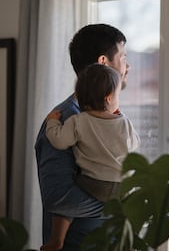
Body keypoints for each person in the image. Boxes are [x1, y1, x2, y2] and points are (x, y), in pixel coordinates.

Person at [34, 24, 131, 250]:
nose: (128, 66)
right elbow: (59, 198)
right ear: (103, 63)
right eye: (123, 57)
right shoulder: (65, 120)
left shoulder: (112, 120)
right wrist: (120, 204)